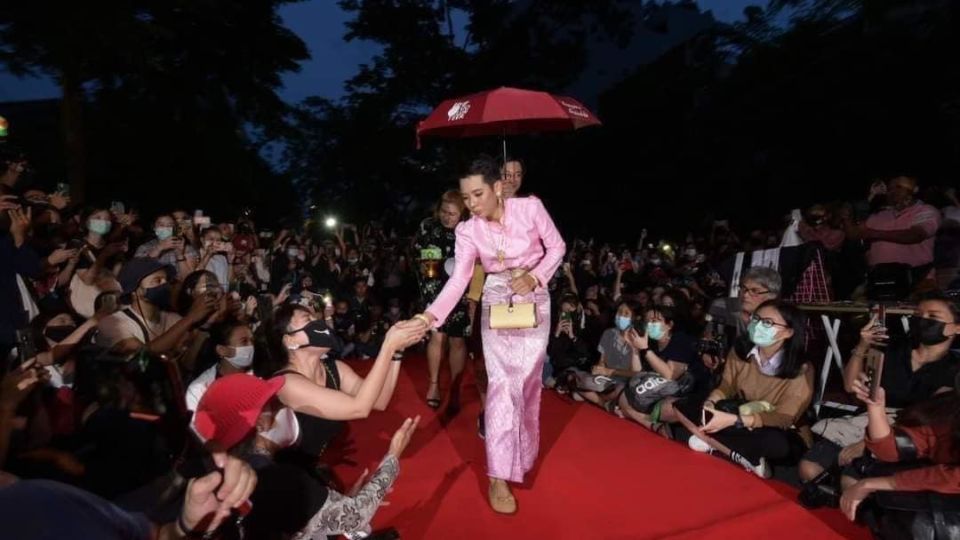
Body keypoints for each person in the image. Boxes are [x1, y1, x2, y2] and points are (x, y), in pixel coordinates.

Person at [412, 155, 566, 514]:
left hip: (534, 298)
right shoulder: (468, 231)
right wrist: (429, 316)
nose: (472, 204)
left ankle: (520, 456)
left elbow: (557, 247)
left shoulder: (530, 209)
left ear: (498, 188)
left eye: (478, 194)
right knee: (500, 383)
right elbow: (459, 279)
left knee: (526, 383)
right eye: (466, 198)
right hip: (496, 299)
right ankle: (498, 474)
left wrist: (536, 276)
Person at [191, 373, 420, 539]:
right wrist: (393, 455)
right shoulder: (276, 476)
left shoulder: (217, 477)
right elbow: (354, 516)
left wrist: (333, 502)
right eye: (271, 402)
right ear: (259, 423)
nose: (280, 404)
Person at [799, 294, 960, 485]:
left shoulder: (954, 371)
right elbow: (850, 385)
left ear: (956, 328)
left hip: (906, 433)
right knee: (809, 469)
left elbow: (926, 420)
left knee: (850, 481)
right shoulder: (893, 349)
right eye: (918, 314)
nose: (923, 320)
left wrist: (868, 443)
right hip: (865, 420)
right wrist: (862, 345)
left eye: (933, 317)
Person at [267, 304, 424, 466]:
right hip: (290, 479)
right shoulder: (287, 384)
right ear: (289, 339)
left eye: (316, 318)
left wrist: (396, 353)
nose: (319, 323)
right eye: (308, 319)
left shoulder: (334, 368)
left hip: (318, 470)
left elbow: (379, 401)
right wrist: (387, 346)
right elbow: (359, 408)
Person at [681, 300, 814, 478]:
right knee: (686, 404)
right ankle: (740, 454)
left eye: (768, 323)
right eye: (756, 319)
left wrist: (737, 420)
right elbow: (727, 385)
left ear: (788, 332)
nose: (758, 325)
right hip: (739, 412)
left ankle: (716, 442)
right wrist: (712, 402)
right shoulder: (741, 350)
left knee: (776, 443)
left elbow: (784, 417)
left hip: (777, 428)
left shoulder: (801, 368)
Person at [839, 371, 960, 525]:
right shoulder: (949, 411)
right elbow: (891, 449)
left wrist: (873, 484)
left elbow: (953, 478)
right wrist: (876, 407)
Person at [413, 190, 471, 413]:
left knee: (457, 340)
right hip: (433, 288)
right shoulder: (428, 226)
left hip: (461, 291)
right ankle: (434, 385)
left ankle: (455, 388)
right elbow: (417, 251)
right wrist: (422, 263)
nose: (448, 217)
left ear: (462, 214)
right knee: (437, 336)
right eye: (444, 212)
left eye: (453, 214)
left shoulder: (469, 230)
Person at [96, 258, 218, 358]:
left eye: (166, 280)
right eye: (157, 281)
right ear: (136, 291)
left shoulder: (174, 319)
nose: (165, 285)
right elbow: (142, 357)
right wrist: (190, 318)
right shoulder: (113, 323)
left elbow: (187, 362)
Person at [618, 305, 706, 435]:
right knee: (624, 394)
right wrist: (635, 349)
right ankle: (653, 425)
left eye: (655, 320)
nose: (650, 324)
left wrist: (645, 350)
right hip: (655, 394)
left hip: (683, 395)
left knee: (673, 407)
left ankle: (633, 414)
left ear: (669, 324)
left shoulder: (681, 340)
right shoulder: (650, 342)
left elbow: (670, 374)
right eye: (647, 321)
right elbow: (637, 376)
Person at [846, 175, 940, 286]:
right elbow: (853, 234)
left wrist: (874, 233)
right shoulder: (880, 215)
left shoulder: (926, 211)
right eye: (890, 189)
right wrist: (848, 217)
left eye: (899, 187)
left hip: (917, 279)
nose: (893, 191)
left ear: (915, 189)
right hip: (880, 278)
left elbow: (915, 235)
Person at [185, 320, 256, 413]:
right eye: (244, 341)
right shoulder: (199, 390)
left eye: (252, 340)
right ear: (222, 350)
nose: (251, 346)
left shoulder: (261, 373)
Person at [134, 214, 197, 279]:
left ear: (175, 228)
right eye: (161, 225)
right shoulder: (144, 248)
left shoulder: (185, 248)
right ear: (154, 228)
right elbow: (136, 273)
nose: (166, 228)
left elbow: (188, 279)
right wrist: (159, 248)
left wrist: (180, 255)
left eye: (170, 225)